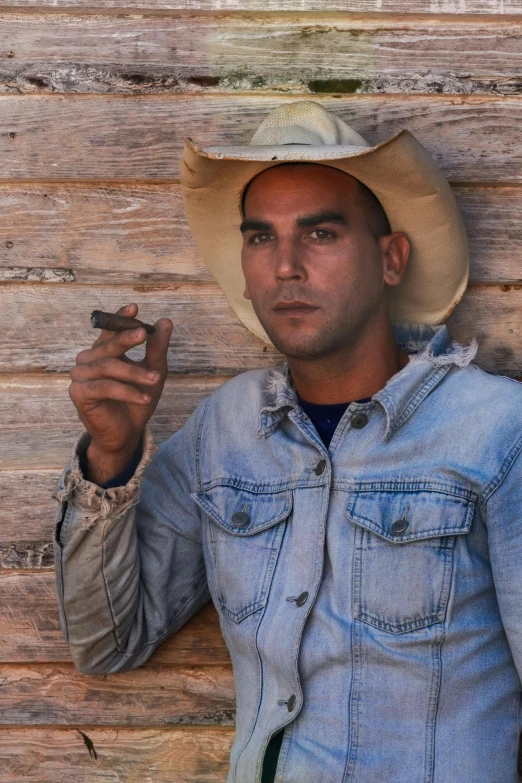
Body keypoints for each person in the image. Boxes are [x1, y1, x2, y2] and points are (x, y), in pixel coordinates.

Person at [53, 101, 522, 783]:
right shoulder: (226, 429)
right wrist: (109, 457)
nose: (287, 267)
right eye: (261, 238)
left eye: (321, 233)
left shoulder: (497, 430)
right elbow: (106, 642)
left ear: (391, 259)